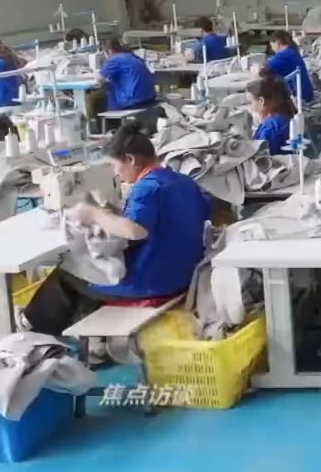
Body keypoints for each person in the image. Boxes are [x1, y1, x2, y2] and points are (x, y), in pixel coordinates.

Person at [23, 121, 212, 335]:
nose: (115, 173)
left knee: (67, 273)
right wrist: (111, 214)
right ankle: (80, 334)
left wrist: (93, 214)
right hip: (185, 275)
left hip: (153, 283)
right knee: (88, 274)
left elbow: (135, 230)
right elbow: (185, 217)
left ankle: (32, 331)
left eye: (114, 165)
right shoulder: (184, 182)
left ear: (130, 159)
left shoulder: (147, 188)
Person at [92, 37, 158, 117]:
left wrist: (97, 76)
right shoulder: (133, 56)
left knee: (100, 100)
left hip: (132, 101)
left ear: (110, 51)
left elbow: (99, 79)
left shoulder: (114, 59)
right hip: (149, 98)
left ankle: (105, 124)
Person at [246, 73, 296, 155]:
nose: (249, 106)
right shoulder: (281, 113)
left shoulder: (271, 129)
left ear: (261, 101)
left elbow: (263, 157)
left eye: (250, 102)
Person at [265, 30, 314, 104]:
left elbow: (265, 69)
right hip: (304, 93)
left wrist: (256, 68)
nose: (272, 49)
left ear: (277, 43)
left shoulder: (286, 55)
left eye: (272, 46)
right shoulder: (291, 51)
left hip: (300, 98)